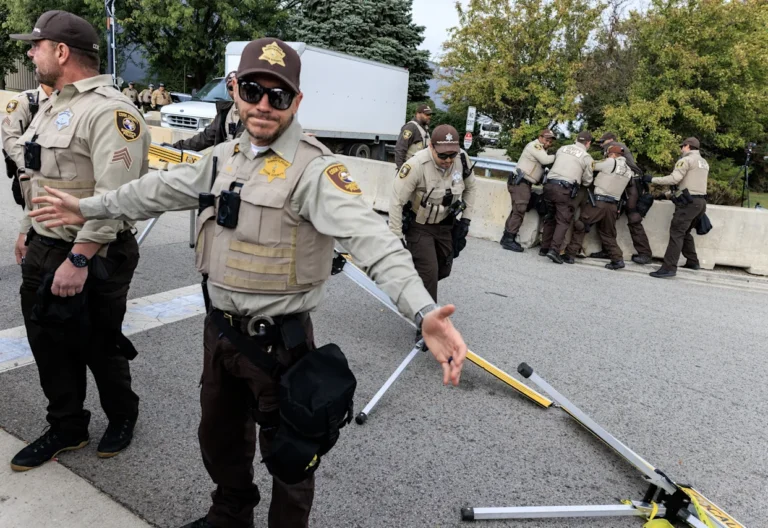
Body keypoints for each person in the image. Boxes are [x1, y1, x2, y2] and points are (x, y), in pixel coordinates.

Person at [30, 38, 468, 528]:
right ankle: (230, 515)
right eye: (254, 90)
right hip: (220, 333)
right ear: (236, 90)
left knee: (291, 456)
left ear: (296, 102)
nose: (264, 105)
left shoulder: (316, 170)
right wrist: (87, 207)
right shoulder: (222, 158)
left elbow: (373, 239)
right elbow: (153, 191)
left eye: (278, 95)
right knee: (219, 440)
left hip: (280, 344)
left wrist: (422, 310)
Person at [8, 10, 150, 471]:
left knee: (99, 345)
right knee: (47, 342)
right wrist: (29, 227)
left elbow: (117, 197)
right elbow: (41, 176)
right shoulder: (52, 105)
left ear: (62, 51)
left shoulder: (111, 112)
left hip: (95, 252)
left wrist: (80, 259)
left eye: (36, 46)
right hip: (44, 246)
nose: (31, 54)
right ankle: (67, 426)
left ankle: (122, 415)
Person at [389, 124, 477, 301]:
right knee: (429, 273)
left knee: (443, 269)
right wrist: (396, 237)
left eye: (452, 154)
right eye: (442, 155)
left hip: (445, 224)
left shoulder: (461, 159)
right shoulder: (416, 165)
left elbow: (471, 187)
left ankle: (409, 284)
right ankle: (426, 315)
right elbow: (396, 200)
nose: (448, 160)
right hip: (419, 226)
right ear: (431, 147)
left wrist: (465, 221)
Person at [646, 137, 709, 278]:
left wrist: (652, 179)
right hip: (700, 203)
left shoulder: (686, 160)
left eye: (682, 146)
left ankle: (669, 268)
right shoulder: (704, 162)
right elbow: (690, 184)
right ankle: (693, 261)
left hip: (688, 203)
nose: (681, 149)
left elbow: (674, 179)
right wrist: (667, 195)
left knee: (677, 233)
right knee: (685, 232)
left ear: (687, 146)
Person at [563, 145, 633, 269]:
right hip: (613, 206)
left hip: (599, 203)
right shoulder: (628, 169)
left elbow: (591, 165)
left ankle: (570, 254)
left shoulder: (610, 162)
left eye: (608, 154)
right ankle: (617, 260)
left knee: (581, 225)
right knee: (608, 234)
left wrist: (587, 177)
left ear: (612, 154)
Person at [592, 132, 653, 264]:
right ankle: (609, 250)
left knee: (633, 217)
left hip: (631, 185)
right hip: (628, 183)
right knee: (609, 217)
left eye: (602, 142)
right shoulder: (617, 147)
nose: (601, 145)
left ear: (610, 140)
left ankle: (645, 254)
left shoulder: (614, 146)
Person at [540, 131, 595, 264]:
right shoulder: (586, 157)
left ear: (576, 139)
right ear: (588, 143)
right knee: (563, 221)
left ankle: (544, 248)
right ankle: (554, 251)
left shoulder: (562, 148)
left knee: (550, 216)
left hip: (549, 186)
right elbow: (587, 181)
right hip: (564, 190)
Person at [500, 129, 555, 252]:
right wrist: (559, 155)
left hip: (523, 183)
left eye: (550, 141)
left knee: (516, 210)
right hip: (521, 182)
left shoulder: (542, 150)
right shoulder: (535, 146)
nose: (548, 143)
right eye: (546, 140)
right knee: (519, 210)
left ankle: (507, 236)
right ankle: (509, 239)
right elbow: (545, 160)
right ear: (540, 137)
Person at [2, 82, 53, 208]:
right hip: (31, 176)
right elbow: (10, 139)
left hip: (63, 175)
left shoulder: (71, 100)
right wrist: (32, 168)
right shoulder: (24, 101)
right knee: (34, 215)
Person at [173, 72, 242, 152]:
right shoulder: (225, 113)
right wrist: (177, 147)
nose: (235, 91)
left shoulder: (251, 112)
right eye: (231, 87)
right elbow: (204, 138)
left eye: (238, 86)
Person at [394, 103, 432, 169]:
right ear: (418, 114)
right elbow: (400, 149)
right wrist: (401, 169)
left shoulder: (425, 128)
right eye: (426, 114)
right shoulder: (410, 127)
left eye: (430, 114)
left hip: (420, 169)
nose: (429, 117)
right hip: (410, 168)